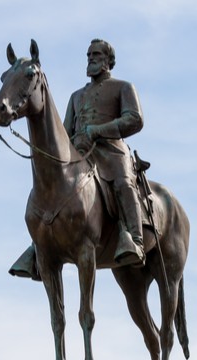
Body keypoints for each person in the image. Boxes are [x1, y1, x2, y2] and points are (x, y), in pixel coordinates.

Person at [65, 38, 146, 266]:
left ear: (108, 60)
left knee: (123, 184)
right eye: (89, 54)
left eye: (97, 54)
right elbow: (64, 131)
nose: (91, 58)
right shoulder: (76, 96)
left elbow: (135, 119)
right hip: (80, 154)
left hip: (111, 152)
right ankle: (38, 247)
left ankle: (136, 240)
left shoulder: (123, 87)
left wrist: (99, 130)